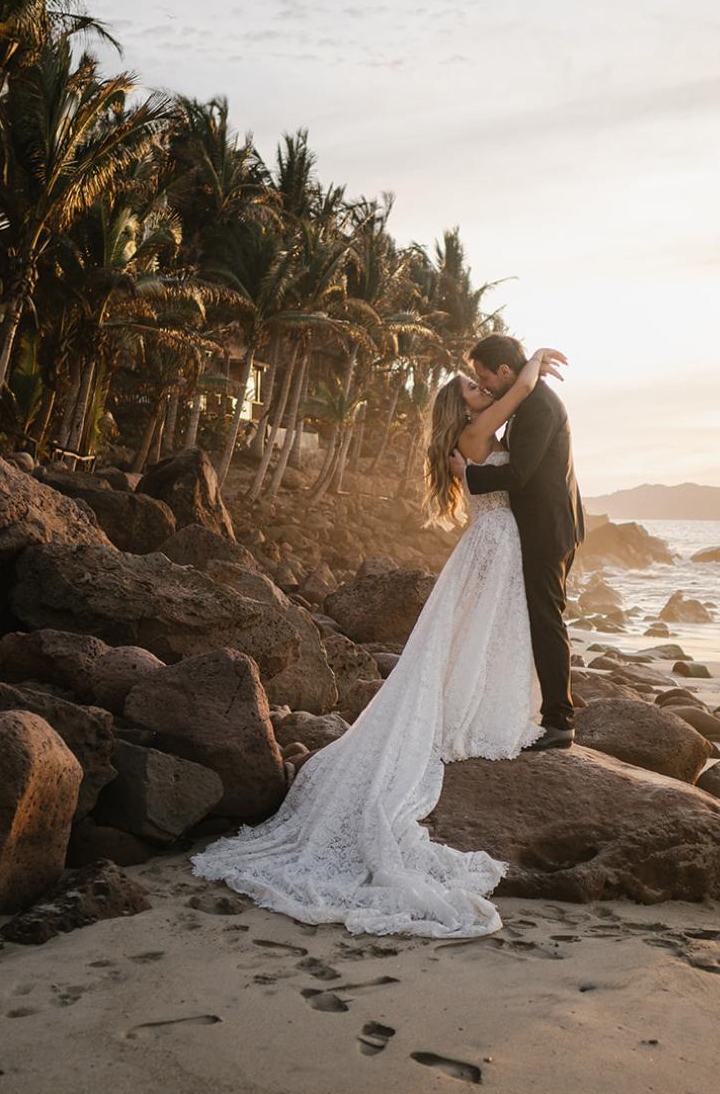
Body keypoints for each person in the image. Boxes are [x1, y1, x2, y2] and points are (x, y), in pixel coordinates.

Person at [190, 345, 569, 938]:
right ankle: (490, 710)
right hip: (497, 544)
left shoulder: (469, 434)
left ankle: (494, 703)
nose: (479, 389)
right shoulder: (475, 431)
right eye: (471, 387)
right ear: (461, 406)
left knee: (491, 631)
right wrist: (532, 364)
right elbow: (517, 400)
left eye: (479, 382)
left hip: (498, 544)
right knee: (492, 629)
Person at [452, 333, 585, 750]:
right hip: (540, 527)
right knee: (538, 619)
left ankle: (559, 722)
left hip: (547, 530)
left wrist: (468, 477)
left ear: (506, 371)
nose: (484, 384)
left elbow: (519, 473)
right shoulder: (526, 402)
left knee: (547, 621)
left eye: (484, 376)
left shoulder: (539, 406)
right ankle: (533, 711)